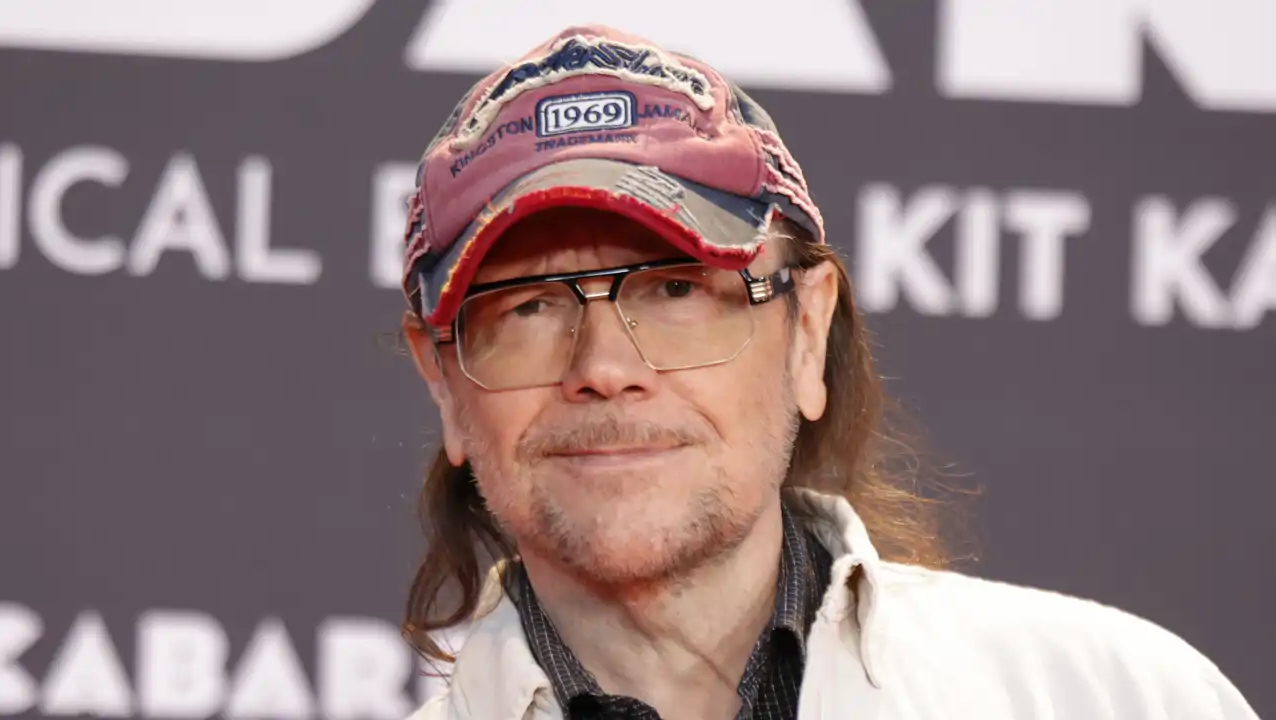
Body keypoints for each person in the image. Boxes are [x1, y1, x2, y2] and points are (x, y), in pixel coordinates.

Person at [394, 24, 1259, 720]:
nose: (607, 367)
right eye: (530, 307)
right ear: (445, 385)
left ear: (808, 333)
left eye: (676, 289)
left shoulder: (1113, 700)